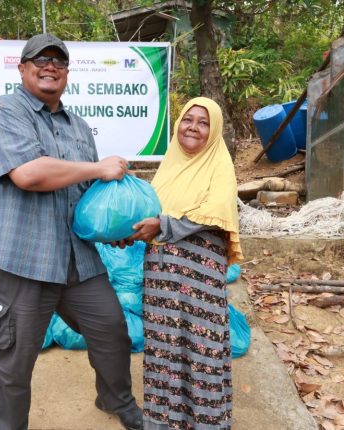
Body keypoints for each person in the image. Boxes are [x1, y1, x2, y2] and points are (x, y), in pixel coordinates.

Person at [0, 33, 142, 430]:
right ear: (23, 68)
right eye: (40, 59)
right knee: (13, 359)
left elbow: (82, 195)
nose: (50, 66)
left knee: (112, 330)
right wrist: (99, 168)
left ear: (66, 73)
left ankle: (117, 400)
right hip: (19, 259)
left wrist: (111, 228)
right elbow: (29, 174)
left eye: (58, 61)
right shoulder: (5, 112)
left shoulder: (78, 126)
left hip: (76, 258)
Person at [128, 97, 244, 429]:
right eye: (188, 119)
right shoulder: (170, 166)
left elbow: (214, 211)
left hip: (200, 282)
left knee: (202, 349)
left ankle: (206, 422)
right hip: (161, 279)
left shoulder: (219, 166)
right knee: (164, 350)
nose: (193, 127)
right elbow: (149, 214)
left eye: (203, 122)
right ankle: (165, 422)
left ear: (215, 129)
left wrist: (162, 225)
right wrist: (129, 228)